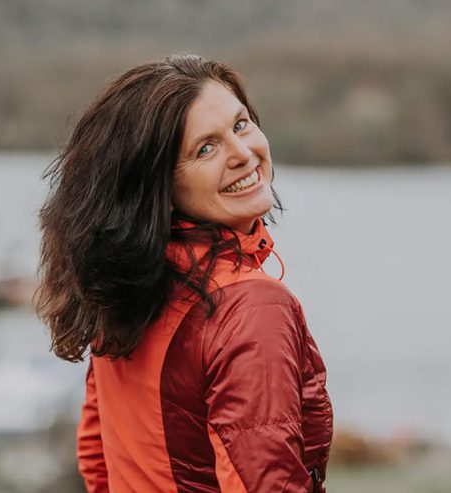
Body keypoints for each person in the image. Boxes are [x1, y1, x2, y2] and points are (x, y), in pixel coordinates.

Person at [36, 54, 333, 492]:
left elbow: (100, 464)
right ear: (159, 184)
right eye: (205, 148)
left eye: (241, 125)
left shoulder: (123, 285)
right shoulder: (249, 308)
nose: (242, 154)